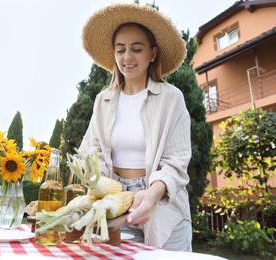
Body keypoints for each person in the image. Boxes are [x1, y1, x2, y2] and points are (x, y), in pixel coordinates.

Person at [79, 3, 192, 251]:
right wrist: (96, 187)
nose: (127, 57)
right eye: (120, 50)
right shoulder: (103, 101)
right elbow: (91, 150)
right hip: (115, 202)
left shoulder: (171, 98)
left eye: (136, 49)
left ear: (152, 53)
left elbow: (177, 160)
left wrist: (152, 194)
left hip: (162, 205)